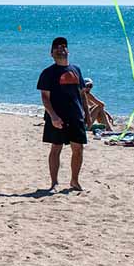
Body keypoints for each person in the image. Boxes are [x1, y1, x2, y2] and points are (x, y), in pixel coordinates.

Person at [37, 36, 90, 191]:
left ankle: (74, 181)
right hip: (57, 117)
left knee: (78, 149)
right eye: (57, 47)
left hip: (75, 115)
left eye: (63, 46)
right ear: (51, 53)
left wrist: (86, 113)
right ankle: (54, 183)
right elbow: (45, 97)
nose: (61, 49)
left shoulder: (76, 69)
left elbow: (82, 93)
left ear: (68, 50)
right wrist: (53, 116)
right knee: (56, 148)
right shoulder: (48, 73)